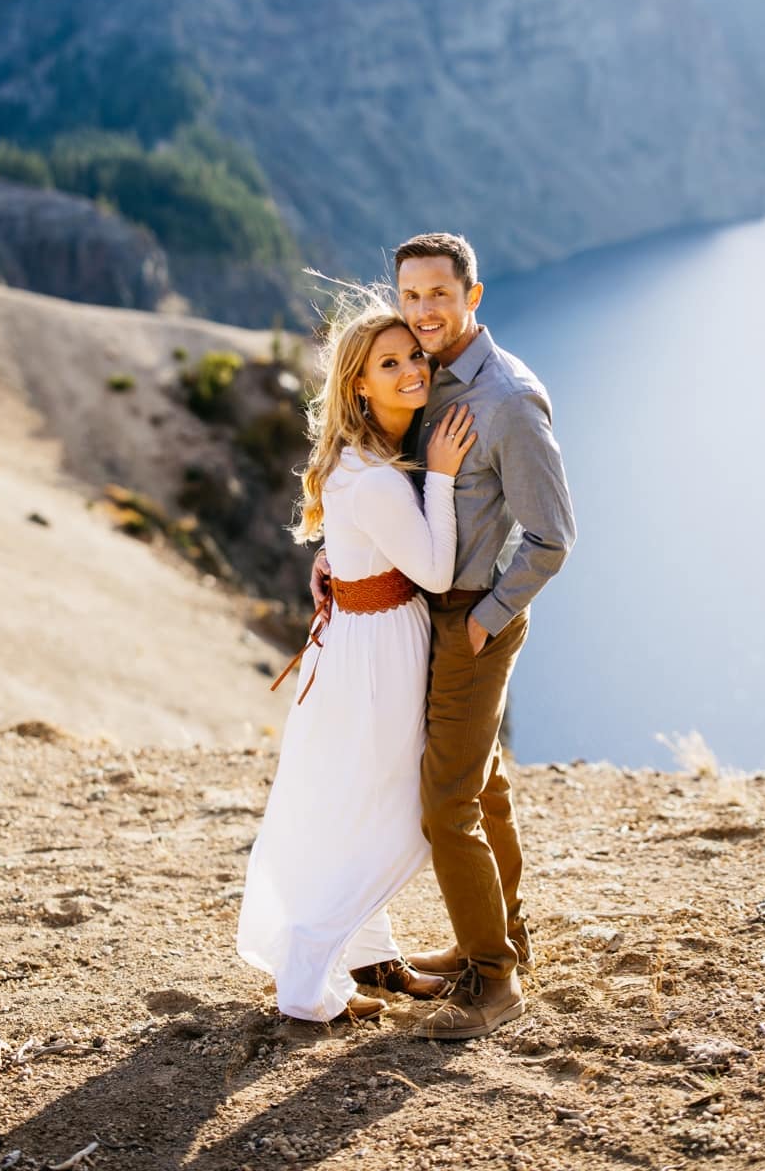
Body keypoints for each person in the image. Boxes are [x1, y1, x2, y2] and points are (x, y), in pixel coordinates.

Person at [311, 232, 577, 1040]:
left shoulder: (507, 399)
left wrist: (486, 622)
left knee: (446, 802)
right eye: (410, 295)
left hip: (472, 620)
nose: (422, 311)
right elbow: (383, 490)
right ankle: (501, 942)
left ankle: (494, 985)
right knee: (484, 785)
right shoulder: (421, 379)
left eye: (438, 294)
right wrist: (335, 556)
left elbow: (552, 537)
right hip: (421, 611)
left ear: (473, 295)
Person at [238, 299, 477, 1022]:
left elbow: (356, 540)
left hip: (359, 638)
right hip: (378, 651)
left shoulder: (362, 456)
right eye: (389, 364)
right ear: (359, 386)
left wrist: (334, 565)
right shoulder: (376, 473)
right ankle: (308, 977)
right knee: (399, 812)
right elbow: (435, 571)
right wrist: (440, 475)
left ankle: (369, 955)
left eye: (414, 357)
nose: (412, 372)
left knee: (358, 800)